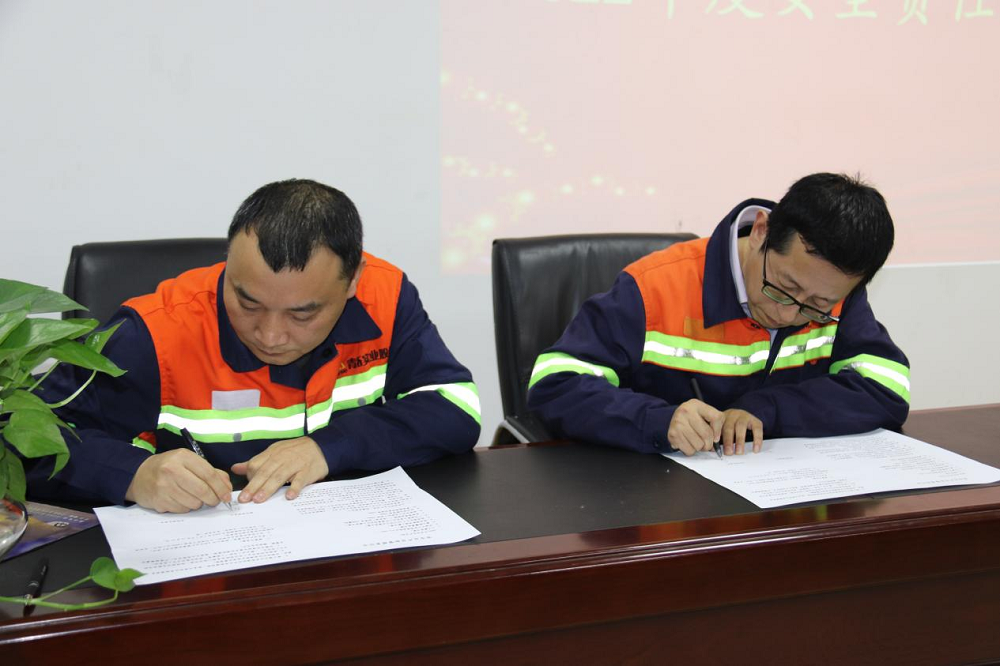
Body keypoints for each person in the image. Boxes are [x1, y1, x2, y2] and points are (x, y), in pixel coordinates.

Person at [30, 179, 481, 512]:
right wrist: (132, 474)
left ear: (352, 282)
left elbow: (455, 408)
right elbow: (19, 438)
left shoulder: (386, 297)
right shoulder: (154, 332)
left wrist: (329, 447)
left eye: (302, 314)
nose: (270, 335)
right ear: (227, 265)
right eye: (248, 303)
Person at [527, 173, 909, 457]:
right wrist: (659, 420)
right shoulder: (654, 288)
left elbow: (886, 387)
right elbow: (555, 383)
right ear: (761, 231)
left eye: (817, 305)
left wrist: (766, 409)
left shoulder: (834, 299)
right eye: (784, 286)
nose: (789, 312)